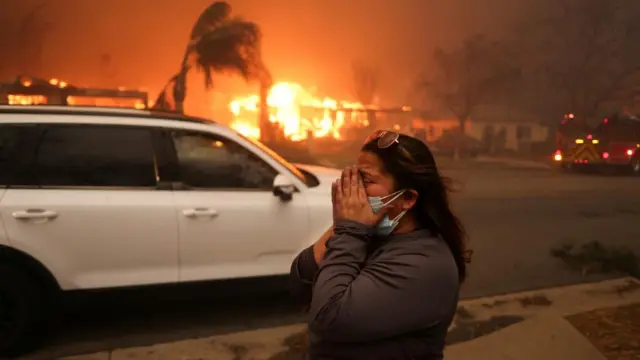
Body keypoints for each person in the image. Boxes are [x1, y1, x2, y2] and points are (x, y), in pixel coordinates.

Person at [289, 130, 470, 360]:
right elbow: (300, 282)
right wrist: (343, 225)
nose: (353, 189)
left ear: (407, 199)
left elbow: (328, 318)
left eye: (366, 180)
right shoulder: (365, 234)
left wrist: (349, 229)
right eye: (354, 177)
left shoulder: (426, 263)